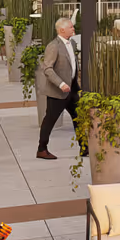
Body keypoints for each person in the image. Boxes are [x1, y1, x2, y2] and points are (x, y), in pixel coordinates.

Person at [35, 18, 82, 160]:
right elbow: (47, 69)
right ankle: (42, 149)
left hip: (72, 89)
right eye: (71, 27)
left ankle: (84, 147)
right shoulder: (53, 46)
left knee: (79, 118)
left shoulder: (71, 43)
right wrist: (61, 84)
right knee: (50, 120)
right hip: (58, 92)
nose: (73, 29)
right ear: (62, 30)